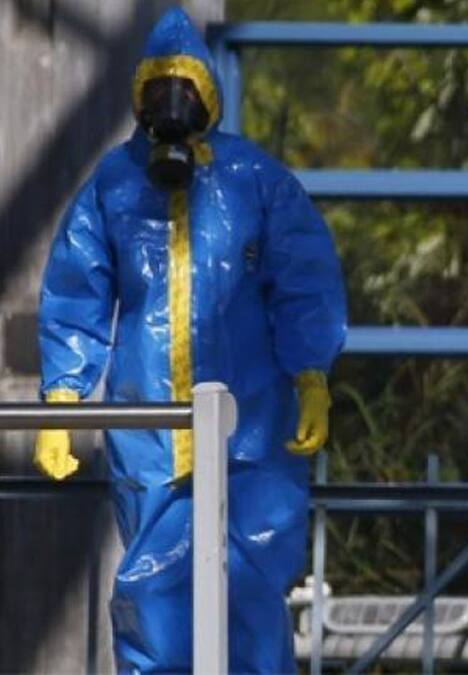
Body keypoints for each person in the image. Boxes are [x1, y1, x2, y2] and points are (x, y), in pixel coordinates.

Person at [33, 7, 347, 673]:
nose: (171, 104)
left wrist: (310, 373)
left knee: (252, 577)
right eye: (158, 89)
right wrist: (61, 397)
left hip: (249, 418)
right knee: (153, 580)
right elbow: (76, 290)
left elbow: (304, 279)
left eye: (184, 88)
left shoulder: (252, 180)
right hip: (149, 420)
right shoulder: (115, 184)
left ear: (209, 94)